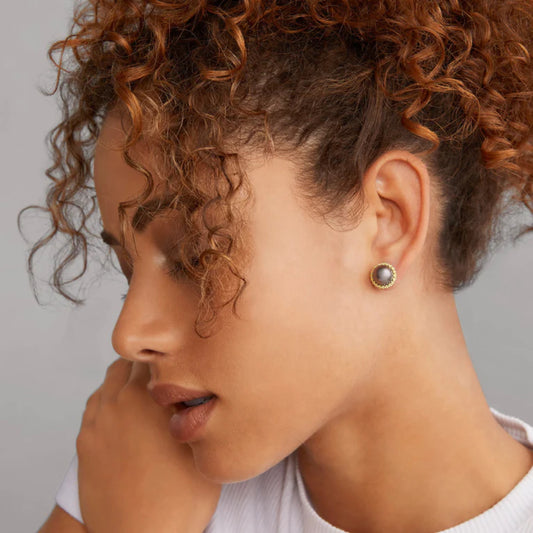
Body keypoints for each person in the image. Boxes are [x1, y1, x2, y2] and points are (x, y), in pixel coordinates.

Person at [24, 1, 533, 532]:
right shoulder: (137, 466)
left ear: (389, 217)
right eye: (128, 269)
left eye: (197, 255)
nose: (128, 335)